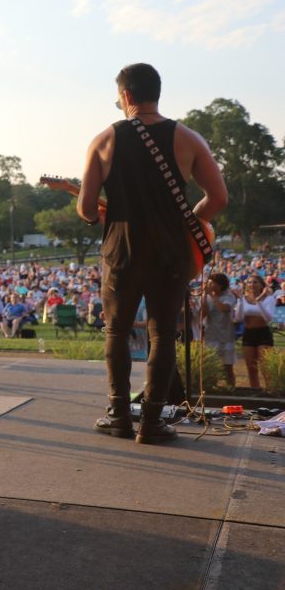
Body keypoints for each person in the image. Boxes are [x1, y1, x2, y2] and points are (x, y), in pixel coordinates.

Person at [79, 63, 228, 444]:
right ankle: (152, 421)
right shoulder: (189, 139)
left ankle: (118, 415)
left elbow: (86, 208)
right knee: (164, 334)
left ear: (126, 95)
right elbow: (218, 198)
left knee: (116, 330)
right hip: (170, 251)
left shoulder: (103, 141)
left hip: (121, 251)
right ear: (155, 93)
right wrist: (190, 221)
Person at [234, 274, 275, 388]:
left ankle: (270, 393)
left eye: (255, 282)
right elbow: (239, 318)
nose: (252, 285)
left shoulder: (269, 298)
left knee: (266, 367)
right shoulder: (243, 298)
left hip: (263, 333)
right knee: (251, 368)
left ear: (261, 285)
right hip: (248, 333)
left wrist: (259, 301)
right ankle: (255, 392)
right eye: (250, 282)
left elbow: (268, 318)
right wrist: (240, 301)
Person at [201, 272, 237, 386]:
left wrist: (211, 295)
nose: (209, 284)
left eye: (212, 283)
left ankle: (231, 391)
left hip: (226, 336)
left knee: (227, 368)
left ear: (220, 285)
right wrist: (203, 297)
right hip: (210, 336)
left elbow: (224, 309)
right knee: (210, 367)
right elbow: (203, 314)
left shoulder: (229, 296)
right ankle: (212, 390)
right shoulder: (206, 296)